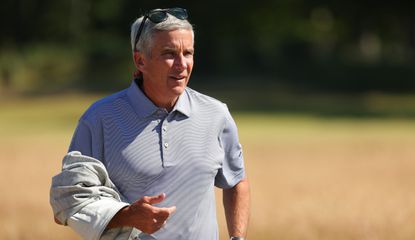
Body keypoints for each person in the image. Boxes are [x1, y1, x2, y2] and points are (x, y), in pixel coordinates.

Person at [50, 7, 250, 240]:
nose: (182, 64)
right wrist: (126, 215)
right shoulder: (99, 119)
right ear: (140, 60)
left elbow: (236, 182)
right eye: (169, 53)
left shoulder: (216, 114)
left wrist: (237, 238)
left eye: (188, 53)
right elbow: (66, 205)